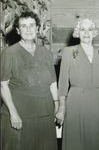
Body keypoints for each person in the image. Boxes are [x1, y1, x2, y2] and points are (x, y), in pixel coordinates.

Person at [0, 11, 58, 150]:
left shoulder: (45, 52)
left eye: (32, 25)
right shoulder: (9, 53)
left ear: (37, 28)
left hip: (45, 113)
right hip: (20, 113)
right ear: (18, 30)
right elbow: (3, 85)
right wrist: (13, 113)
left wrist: (56, 105)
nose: (28, 29)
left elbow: (52, 82)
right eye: (24, 26)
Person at [56, 19, 99, 150]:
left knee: (96, 140)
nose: (86, 33)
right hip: (76, 101)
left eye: (89, 29)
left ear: (94, 33)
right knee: (76, 141)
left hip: (98, 101)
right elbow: (62, 83)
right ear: (77, 33)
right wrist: (61, 108)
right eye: (83, 29)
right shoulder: (69, 52)